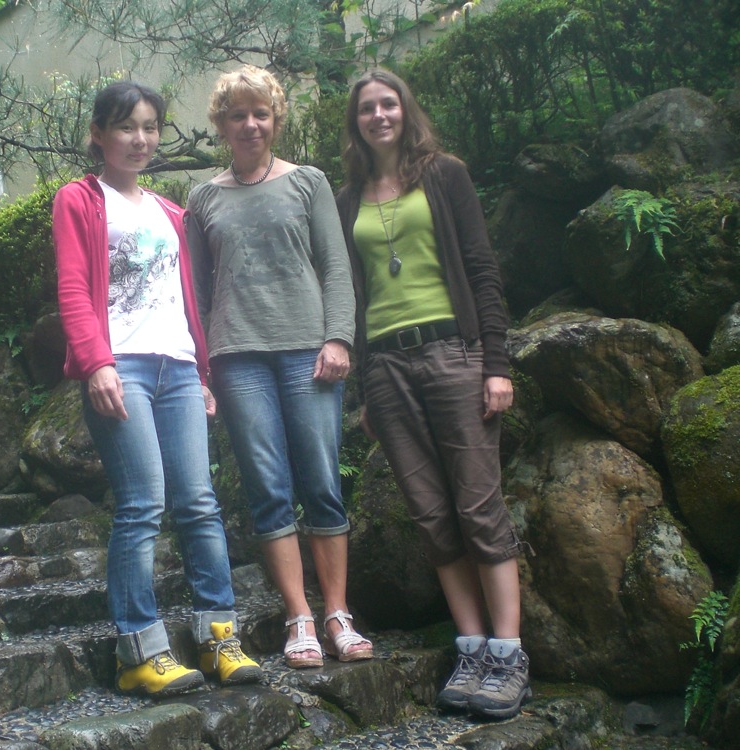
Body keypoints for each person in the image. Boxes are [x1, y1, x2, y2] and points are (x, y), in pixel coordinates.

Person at [52, 81, 263, 698]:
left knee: (199, 502)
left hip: (176, 366)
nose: (140, 139)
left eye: (150, 127)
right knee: (143, 503)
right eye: (126, 127)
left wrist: (201, 374)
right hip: (122, 367)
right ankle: (139, 650)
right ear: (99, 135)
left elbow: (186, 300)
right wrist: (96, 364)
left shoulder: (173, 212)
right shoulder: (79, 200)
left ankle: (218, 637)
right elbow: (72, 288)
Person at [335, 69, 530, 720]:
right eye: (368, 108)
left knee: (478, 506)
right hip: (386, 368)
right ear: (356, 121)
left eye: (389, 103)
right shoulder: (348, 198)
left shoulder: (445, 175)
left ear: (405, 109)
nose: (380, 115)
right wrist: (366, 386)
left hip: (455, 353)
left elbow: (482, 271)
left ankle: (508, 653)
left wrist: (496, 365)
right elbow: (354, 300)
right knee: (431, 515)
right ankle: (471, 647)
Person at [186, 65, 373, 669]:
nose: (249, 124)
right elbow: (197, 293)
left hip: (307, 349)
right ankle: (299, 618)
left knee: (320, 481)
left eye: (260, 113)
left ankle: (338, 614)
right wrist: (202, 367)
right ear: (221, 124)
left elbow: (336, 266)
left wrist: (339, 338)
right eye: (237, 115)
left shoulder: (308, 182)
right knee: (268, 490)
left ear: (276, 119)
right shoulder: (203, 198)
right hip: (237, 357)